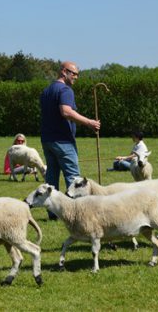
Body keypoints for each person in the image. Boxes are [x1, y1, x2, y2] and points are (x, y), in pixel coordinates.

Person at [40, 61, 101, 220]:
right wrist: (90, 122)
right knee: (74, 178)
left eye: (77, 74)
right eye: (73, 73)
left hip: (47, 140)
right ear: (63, 71)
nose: (76, 77)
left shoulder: (46, 91)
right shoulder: (66, 90)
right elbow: (66, 112)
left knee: (51, 178)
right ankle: (78, 214)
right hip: (63, 141)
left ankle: (53, 214)